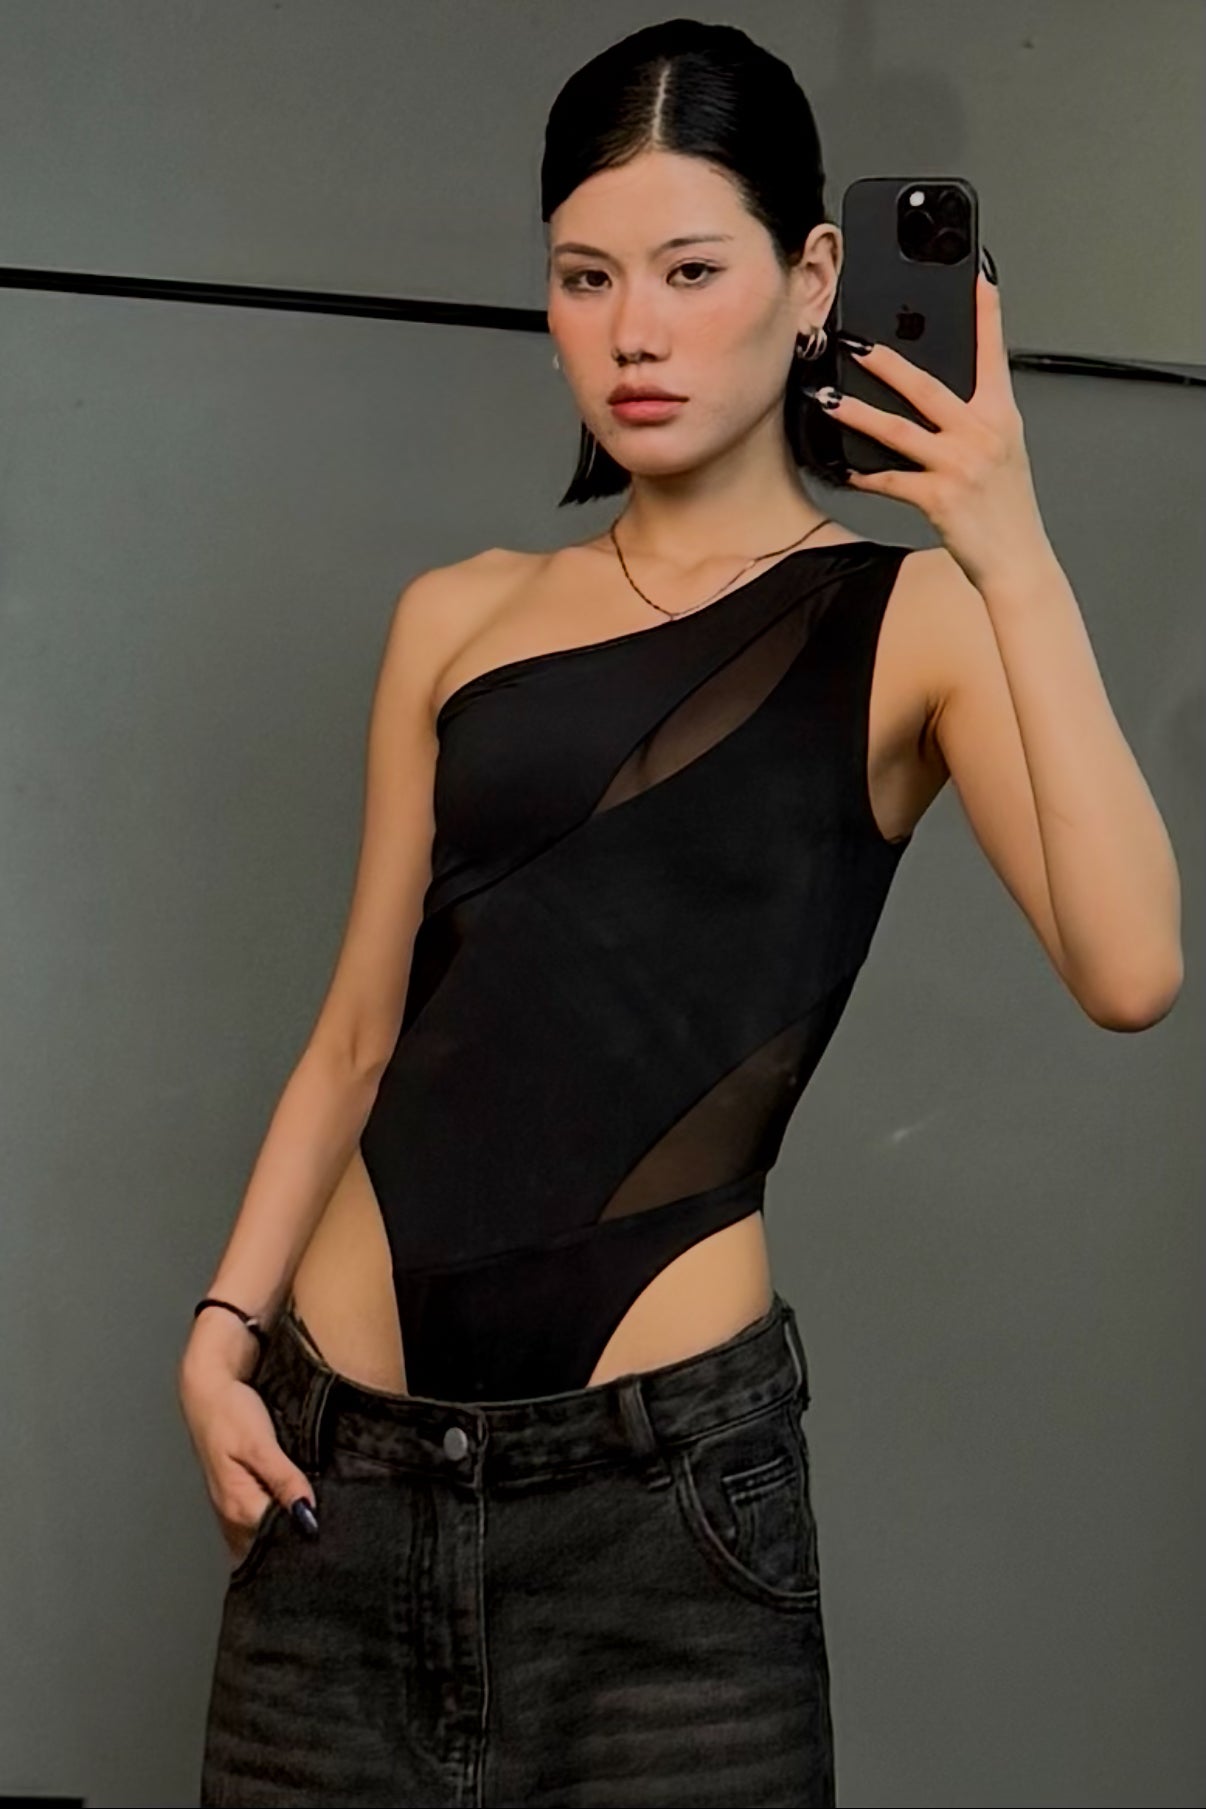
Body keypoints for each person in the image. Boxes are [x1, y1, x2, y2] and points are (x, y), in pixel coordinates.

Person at [179, 20, 1182, 1808]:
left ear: (813, 280)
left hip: (659, 1529)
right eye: (585, 277)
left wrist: (1011, 544)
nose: (631, 331)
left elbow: (1132, 967)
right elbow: (357, 1033)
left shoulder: (917, 620)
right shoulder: (457, 614)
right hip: (339, 1490)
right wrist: (218, 1334)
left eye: (688, 270)